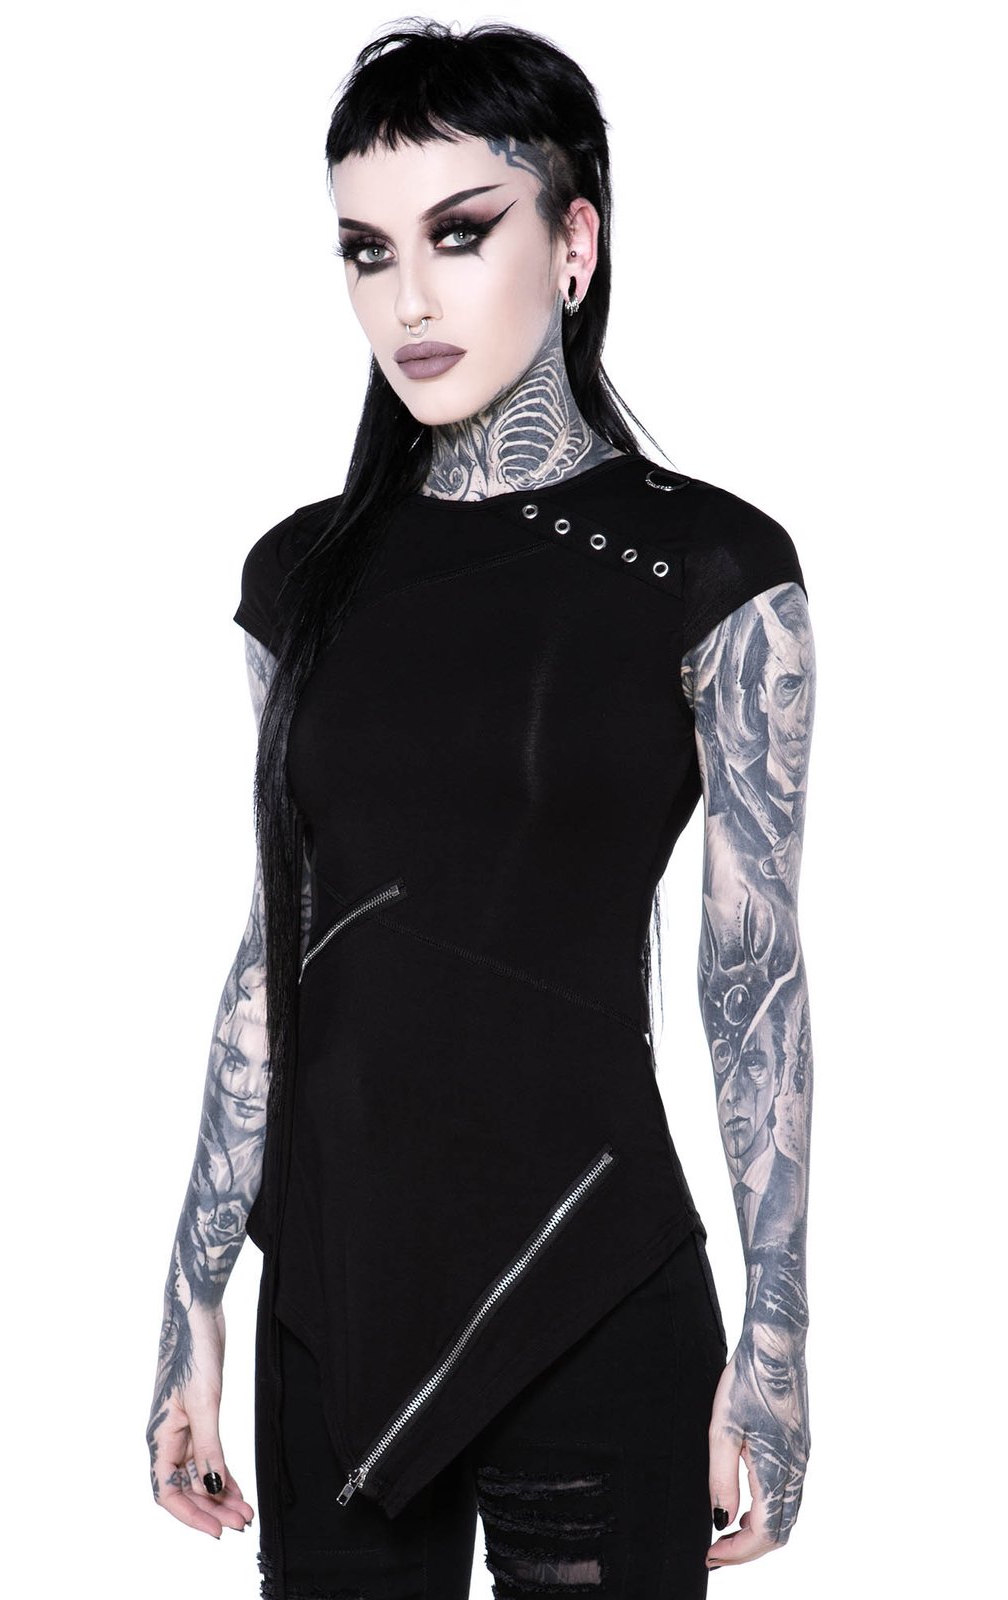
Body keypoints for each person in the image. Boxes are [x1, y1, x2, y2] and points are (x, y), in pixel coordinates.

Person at [146, 19, 816, 1598]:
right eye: (367, 250)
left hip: (595, 1281)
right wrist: (191, 1301)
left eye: (460, 233)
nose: (410, 298)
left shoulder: (716, 573)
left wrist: (778, 1341)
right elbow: (275, 951)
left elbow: (753, 981)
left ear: (574, 242)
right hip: (339, 1302)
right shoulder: (301, 579)